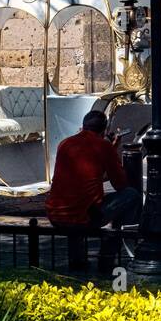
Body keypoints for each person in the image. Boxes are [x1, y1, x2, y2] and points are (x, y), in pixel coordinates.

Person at [46, 110, 141, 268]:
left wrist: (109, 150)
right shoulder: (103, 146)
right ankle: (108, 251)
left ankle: (77, 262)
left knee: (77, 201)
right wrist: (112, 151)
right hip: (82, 217)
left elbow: (86, 176)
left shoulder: (65, 144)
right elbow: (120, 184)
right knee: (132, 195)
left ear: (82, 127)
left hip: (55, 214)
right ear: (104, 129)